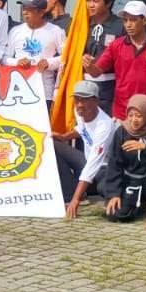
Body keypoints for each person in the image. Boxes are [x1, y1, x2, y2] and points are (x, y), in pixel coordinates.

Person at [86, 0, 146, 122]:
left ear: (144, 20)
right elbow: (96, 72)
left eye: (133, 20)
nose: (128, 24)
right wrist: (89, 66)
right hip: (123, 113)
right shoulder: (116, 45)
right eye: (125, 20)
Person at [99, 94, 146, 229]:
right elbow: (115, 163)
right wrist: (114, 194)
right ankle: (137, 207)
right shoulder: (122, 132)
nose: (134, 120)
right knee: (116, 214)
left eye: (139, 116)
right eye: (131, 115)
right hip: (132, 181)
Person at [52, 80, 114, 219]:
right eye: (77, 100)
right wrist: (64, 136)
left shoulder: (105, 126)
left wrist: (76, 199)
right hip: (86, 160)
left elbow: (93, 164)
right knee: (53, 144)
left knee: (102, 188)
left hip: (103, 167)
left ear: (96, 101)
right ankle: (68, 193)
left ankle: (77, 195)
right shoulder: (78, 110)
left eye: (85, 100)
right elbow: (82, 129)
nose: (80, 104)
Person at [3, 0, 65, 100]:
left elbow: (66, 57)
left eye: (30, 9)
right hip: (18, 90)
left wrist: (49, 63)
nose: (25, 12)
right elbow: (4, 58)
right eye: (24, 8)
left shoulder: (56, 31)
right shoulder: (15, 31)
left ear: (41, 12)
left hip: (44, 91)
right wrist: (16, 62)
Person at [80, 0, 126, 110]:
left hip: (110, 88)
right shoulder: (83, 24)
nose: (90, 5)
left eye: (95, 1)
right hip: (84, 85)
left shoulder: (121, 25)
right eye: (89, 1)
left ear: (108, 3)